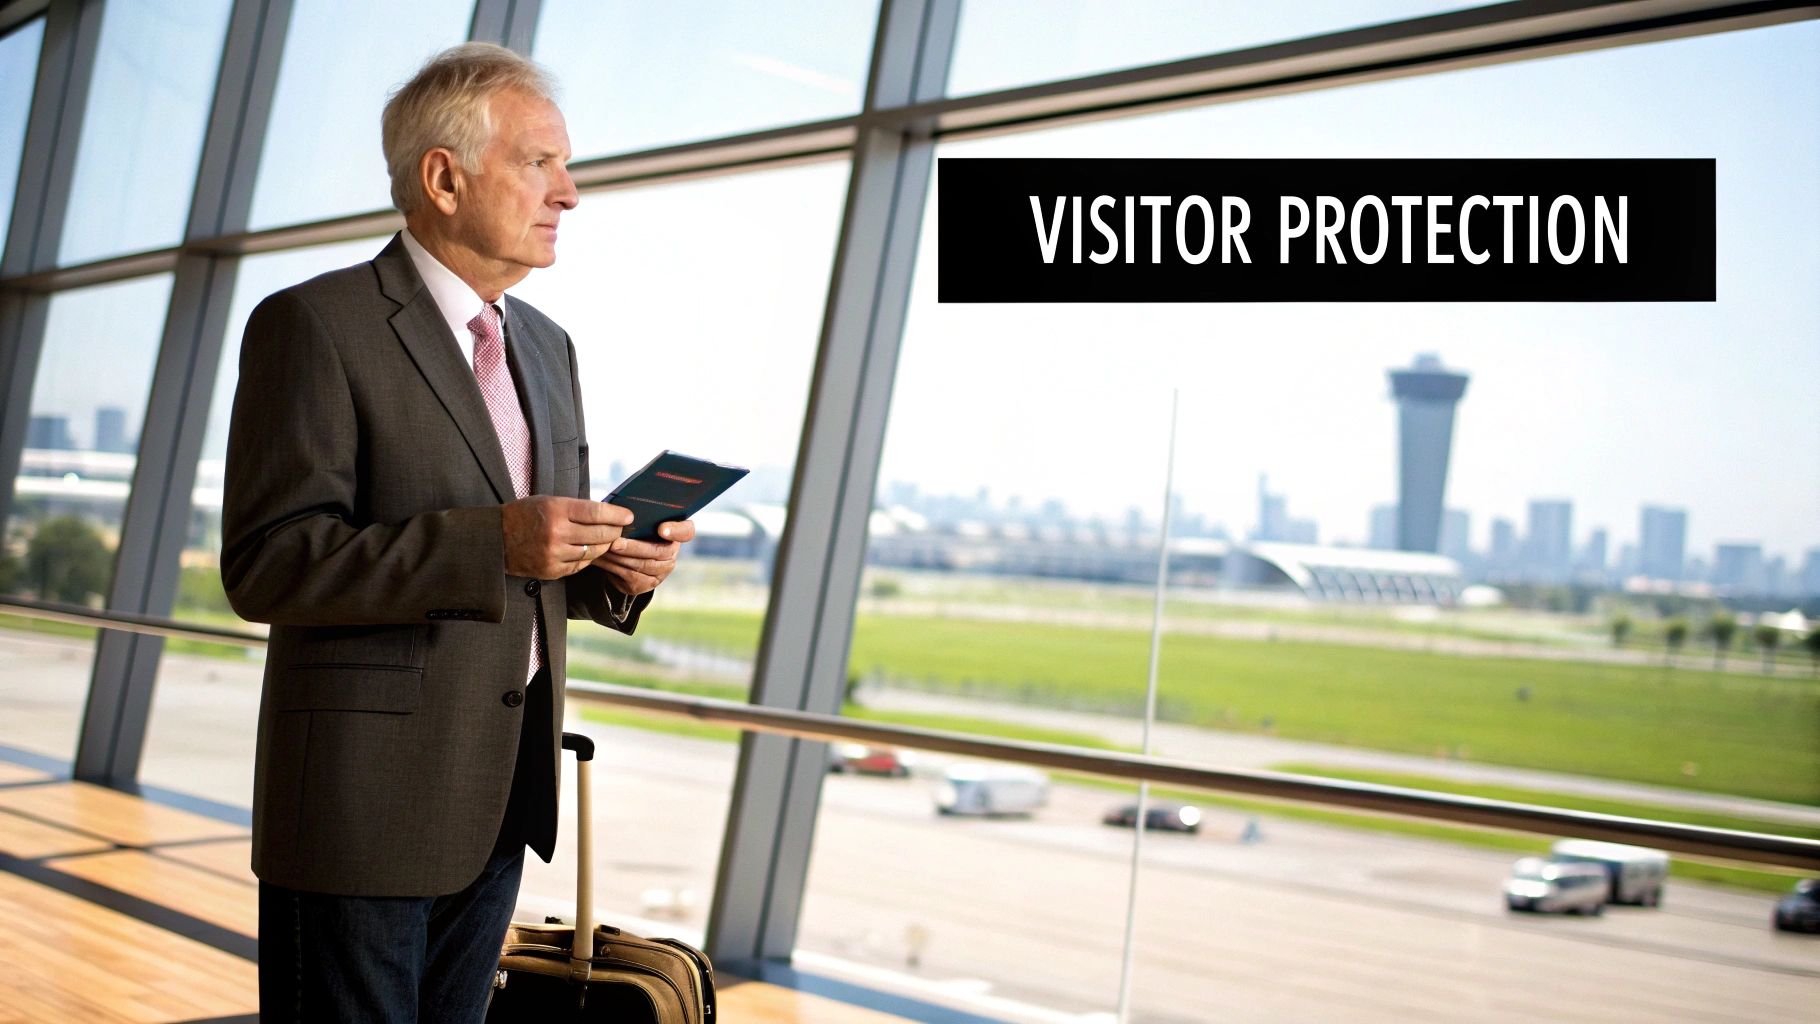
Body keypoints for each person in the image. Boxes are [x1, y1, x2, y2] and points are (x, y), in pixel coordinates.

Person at [220, 42, 693, 1023]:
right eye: (539, 163)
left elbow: (533, 556)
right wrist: (495, 544)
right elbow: (268, 564)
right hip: (361, 814)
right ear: (444, 177)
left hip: (499, 800)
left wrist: (616, 569)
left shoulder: (547, 349)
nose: (569, 192)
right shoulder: (313, 325)